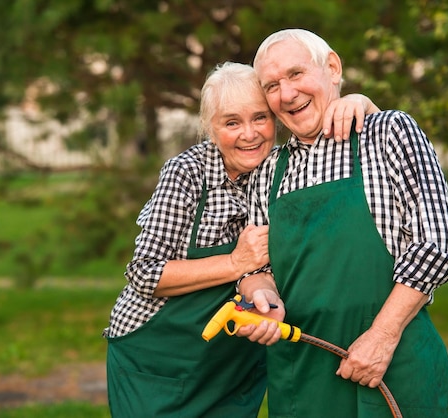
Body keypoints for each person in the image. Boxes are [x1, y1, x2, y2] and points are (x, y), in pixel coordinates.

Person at [104, 61, 379, 417]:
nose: (249, 134)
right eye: (232, 122)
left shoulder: (285, 170)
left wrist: (362, 102)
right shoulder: (188, 173)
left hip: (233, 364)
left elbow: (348, 132)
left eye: (260, 118)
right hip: (158, 363)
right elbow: (145, 274)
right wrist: (235, 263)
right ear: (211, 128)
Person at [237, 29, 448, 418]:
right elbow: (257, 267)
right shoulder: (267, 172)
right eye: (271, 85)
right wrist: (262, 296)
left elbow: (436, 245)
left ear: (333, 68)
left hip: (396, 360)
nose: (286, 94)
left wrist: (381, 337)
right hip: (302, 371)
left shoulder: (388, 133)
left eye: (295, 74)